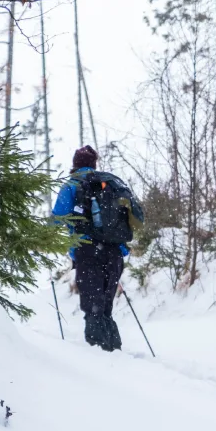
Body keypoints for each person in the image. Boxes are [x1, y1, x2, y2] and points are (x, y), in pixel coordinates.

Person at [52, 146, 144, 352]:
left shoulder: (72, 186)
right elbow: (134, 219)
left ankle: (100, 360)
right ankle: (114, 352)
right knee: (104, 308)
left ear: (74, 164)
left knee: (93, 308)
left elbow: (56, 219)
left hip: (87, 251)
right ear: (94, 164)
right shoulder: (110, 184)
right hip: (114, 252)